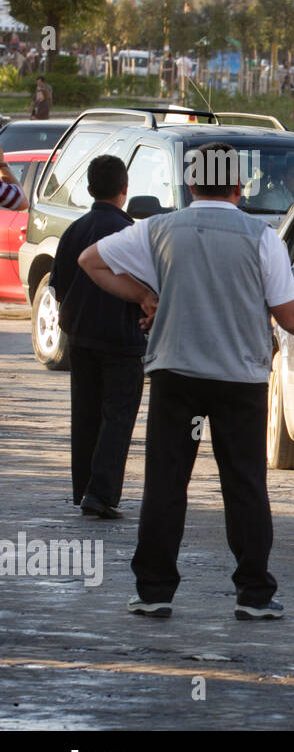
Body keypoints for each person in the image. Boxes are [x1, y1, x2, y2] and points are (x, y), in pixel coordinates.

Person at [77, 141, 294, 620]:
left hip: (175, 374)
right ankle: (253, 594)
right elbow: (289, 316)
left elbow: (91, 261)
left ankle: (154, 591)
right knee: (245, 485)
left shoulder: (158, 229)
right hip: (240, 379)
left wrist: (146, 297)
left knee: (166, 484)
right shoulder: (261, 237)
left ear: (191, 184)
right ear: (239, 185)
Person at [50, 156, 146, 520]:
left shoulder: (75, 230)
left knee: (85, 413)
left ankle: (85, 488)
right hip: (122, 338)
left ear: (89, 190)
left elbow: (59, 286)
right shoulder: (132, 233)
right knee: (118, 416)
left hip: (81, 336)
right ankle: (101, 493)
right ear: (125, 190)